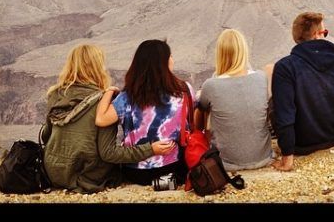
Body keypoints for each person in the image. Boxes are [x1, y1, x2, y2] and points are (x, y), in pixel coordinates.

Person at [41, 44, 154, 193]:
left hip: (53, 173)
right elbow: (108, 153)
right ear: (97, 67)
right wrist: (150, 149)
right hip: (84, 177)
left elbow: (45, 136)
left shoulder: (55, 94)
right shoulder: (102, 102)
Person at [95, 40, 193, 185]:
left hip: (137, 172)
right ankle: (168, 183)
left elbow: (101, 119)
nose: (173, 60)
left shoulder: (128, 97)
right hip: (175, 167)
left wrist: (109, 92)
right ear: (164, 63)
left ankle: (160, 183)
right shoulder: (184, 90)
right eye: (170, 56)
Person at [271, 11, 334, 171]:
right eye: (325, 33)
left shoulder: (285, 67)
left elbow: (284, 113)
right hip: (331, 136)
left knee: (274, 101)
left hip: (301, 143)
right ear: (316, 35)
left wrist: (287, 157)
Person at [195, 29, 273, 171]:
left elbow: (201, 109)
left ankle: (202, 145)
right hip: (264, 157)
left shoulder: (211, 85)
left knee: (202, 106)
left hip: (226, 163)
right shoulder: (261, 77)